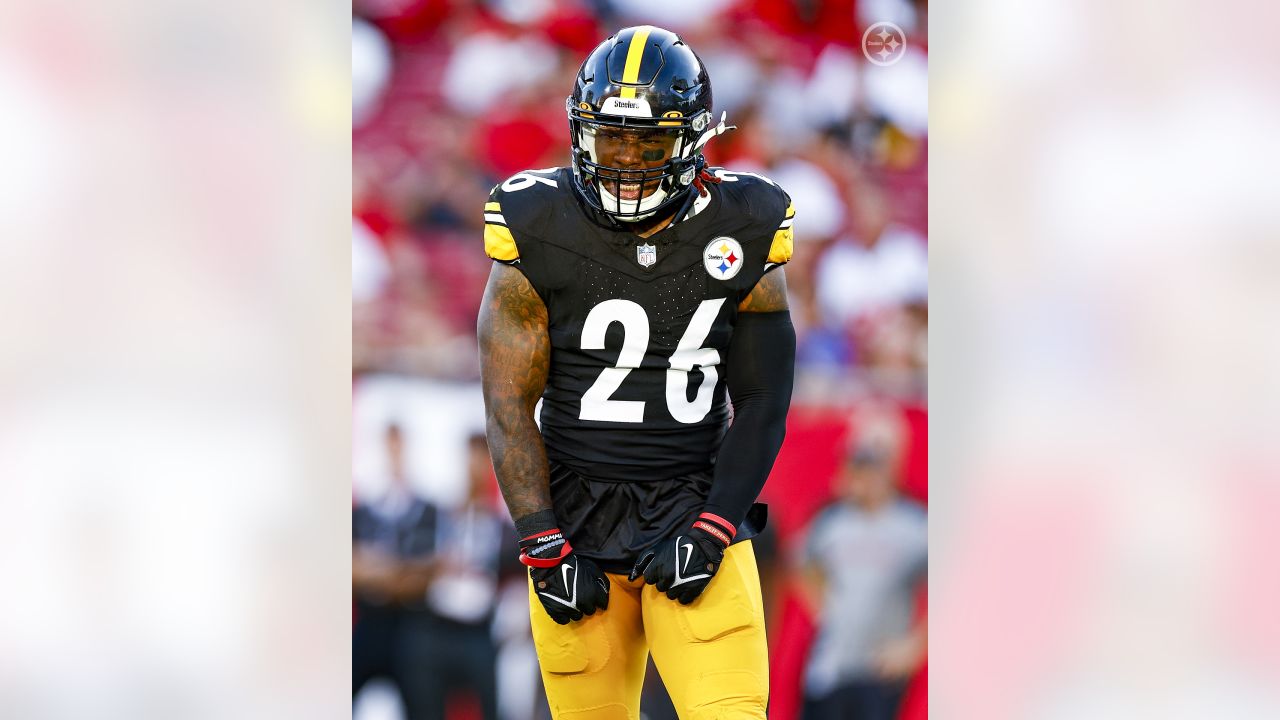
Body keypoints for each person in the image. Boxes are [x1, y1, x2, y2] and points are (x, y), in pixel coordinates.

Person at [477, 25, 796, 719]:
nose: (625, 160)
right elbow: (507, 404)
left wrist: (714, 525)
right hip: (573, 519)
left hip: (692, 499)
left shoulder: (743, 221)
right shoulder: (538, 222)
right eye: (610, 138)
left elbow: (764, 396)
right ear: (579, 134)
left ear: (690, 141)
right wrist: (540, 539)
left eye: (648, 142)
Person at [795, 407, 928, 720]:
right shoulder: (832, 517)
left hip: (877, 674)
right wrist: (825, 607)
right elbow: (802, 563)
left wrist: (915, 646)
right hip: (828, 668)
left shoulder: (915, 524)